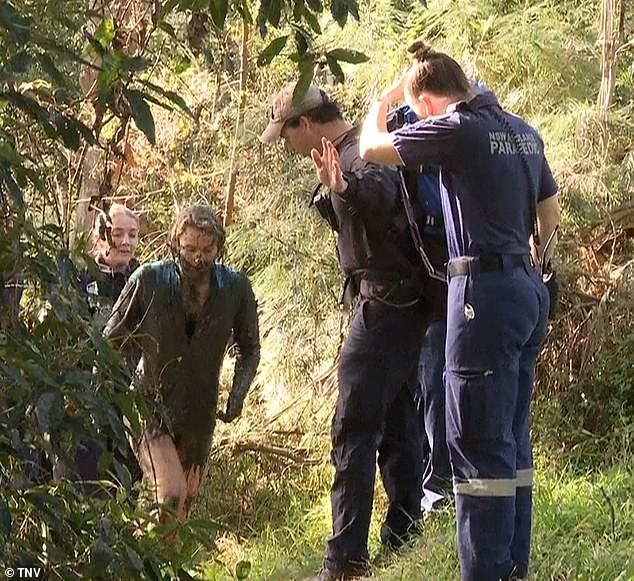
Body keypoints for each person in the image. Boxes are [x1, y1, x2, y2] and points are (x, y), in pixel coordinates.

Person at [359, 41, 560, 581]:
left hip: (482, 298)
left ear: (425, 99)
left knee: (475, 444)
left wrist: (381, 103)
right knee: (512, 437)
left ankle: (486, 572)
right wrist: (527, 257)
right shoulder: (520, 130)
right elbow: (549, 211)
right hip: (525, 286)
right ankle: (512, 566)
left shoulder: (454, 128)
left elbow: (372, 149)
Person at [261, 83, 429, 580]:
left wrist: (344, 188)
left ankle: (345, 559)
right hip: (393, 303)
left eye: (285, 134)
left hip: (386, 304)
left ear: (306, 124)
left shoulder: (362, 151)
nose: (286, 146)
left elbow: (379, 192)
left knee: (352, 428)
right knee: (397, 420)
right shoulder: (352, 151)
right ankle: (404, 534)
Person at [103, 204, 260, 528]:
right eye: (189, 249)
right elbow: (109, 340)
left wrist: (238, 394)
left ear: (219, 247)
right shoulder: (149, 279)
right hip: (149, 407)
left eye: (207, 249)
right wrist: (103, 395)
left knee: (179, 512)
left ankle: (147, 566)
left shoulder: (235, 288)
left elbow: (250, 349)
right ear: (175, 244)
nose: (198, 258)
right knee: (170, 492)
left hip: (199, 414)